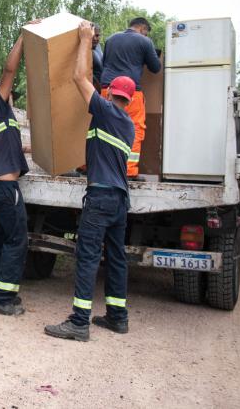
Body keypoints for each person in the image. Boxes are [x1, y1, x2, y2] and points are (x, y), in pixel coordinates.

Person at [44, 21, 136, 342]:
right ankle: (117, 317)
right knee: (116, 258)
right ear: (130, 99)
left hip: (100, 198)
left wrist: (84, 39)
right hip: (120, 201)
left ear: (109, 93)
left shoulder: (105, 111)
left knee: (87, 257)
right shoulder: (128, 125)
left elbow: (79, 78)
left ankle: (79, 322)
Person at [0, 20, 39, 316]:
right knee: (17, 239)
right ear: (1, 95)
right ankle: (2, 298)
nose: (13, 96)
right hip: (4, 188)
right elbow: (8, 71)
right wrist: (23, 38)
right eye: (10, 93)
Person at [99, 17, 161, 178]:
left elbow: (104, 63)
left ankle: (100, 167)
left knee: (104, 128)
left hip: (107, 90)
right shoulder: (144, 41)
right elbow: (155, 67)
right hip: (129, 93)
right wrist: (148, 53)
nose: (145, 35)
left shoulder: (111, 39)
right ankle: (129, 171)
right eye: (146, 33)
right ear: (142, 29)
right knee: (135, 128)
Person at [91, 24, 103, 90]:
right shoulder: (85, 51)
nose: (95, 38)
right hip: (94, 89)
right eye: (91, 36)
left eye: (97, 35)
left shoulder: (98, 46)